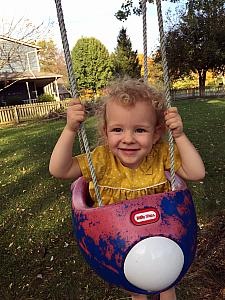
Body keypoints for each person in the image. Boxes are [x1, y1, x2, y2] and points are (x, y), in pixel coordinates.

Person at [49, 78, 205, 300]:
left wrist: (178, 136)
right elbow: (60, 170)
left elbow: (197, 173)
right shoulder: (100, 160)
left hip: (163, 234)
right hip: (119, 238)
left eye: (140, 129)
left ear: (156, 133)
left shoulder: (160, 155)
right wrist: (69, 129)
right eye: (118, 129)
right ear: (105, 132)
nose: (128, 139)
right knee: (136, 287)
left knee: (167, 280)